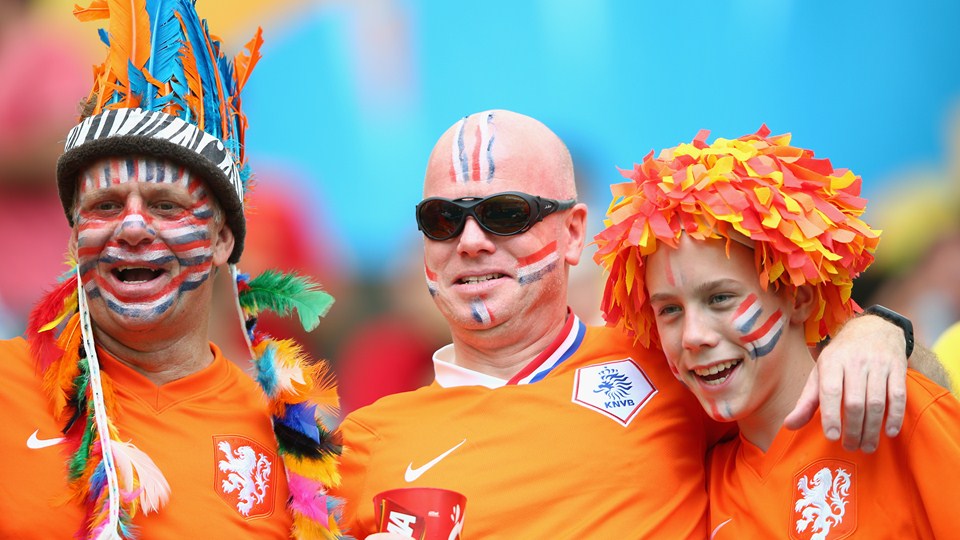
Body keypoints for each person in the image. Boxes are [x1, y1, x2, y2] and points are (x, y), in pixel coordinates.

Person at [332, 110, 922, 539]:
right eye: (442, 219)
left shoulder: (677, 359)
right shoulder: (359, 444)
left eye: (504, 214)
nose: (471, 242)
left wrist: (878, 330)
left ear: (572, 233)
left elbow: (838, 376)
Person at [0, 2, 343, 539]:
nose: (133, 228)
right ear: (73, 237)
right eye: (107, 205)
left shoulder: (293, 439)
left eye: (165, 205)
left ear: (223, 240)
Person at [594, 126, 960, 538]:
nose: (693, 335)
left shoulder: (893, 406)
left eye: (720, 299)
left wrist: (882, 327)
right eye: (670, 310)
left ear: (800, 298)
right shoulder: (697, 481)